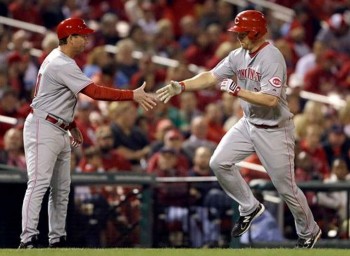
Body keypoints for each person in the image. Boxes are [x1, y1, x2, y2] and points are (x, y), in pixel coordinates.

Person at [156, 10, 321, 249]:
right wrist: (182, 86)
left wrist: (237, 91)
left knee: (286, 188)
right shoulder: (238, 55)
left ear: (255, 32)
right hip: (248, 123)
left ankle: (309, 231)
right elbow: (211, 77)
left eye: (242, 33)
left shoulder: (272, 57)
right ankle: (249, 206)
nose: (238, 37)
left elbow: (270, 100)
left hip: (275, 129)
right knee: (218, 162)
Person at [19, 17, 157, 249]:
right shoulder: (60, 62)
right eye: (81, 36)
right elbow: (94, 92)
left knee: (61, 189)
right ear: (70, 38)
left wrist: (71, 125)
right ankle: (28, 239)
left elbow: (57, 98)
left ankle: (57, 239)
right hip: (44, 127)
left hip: (58, 126)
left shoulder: (62, 59)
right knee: (38, 184)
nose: (85, 39)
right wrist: (131, 95)